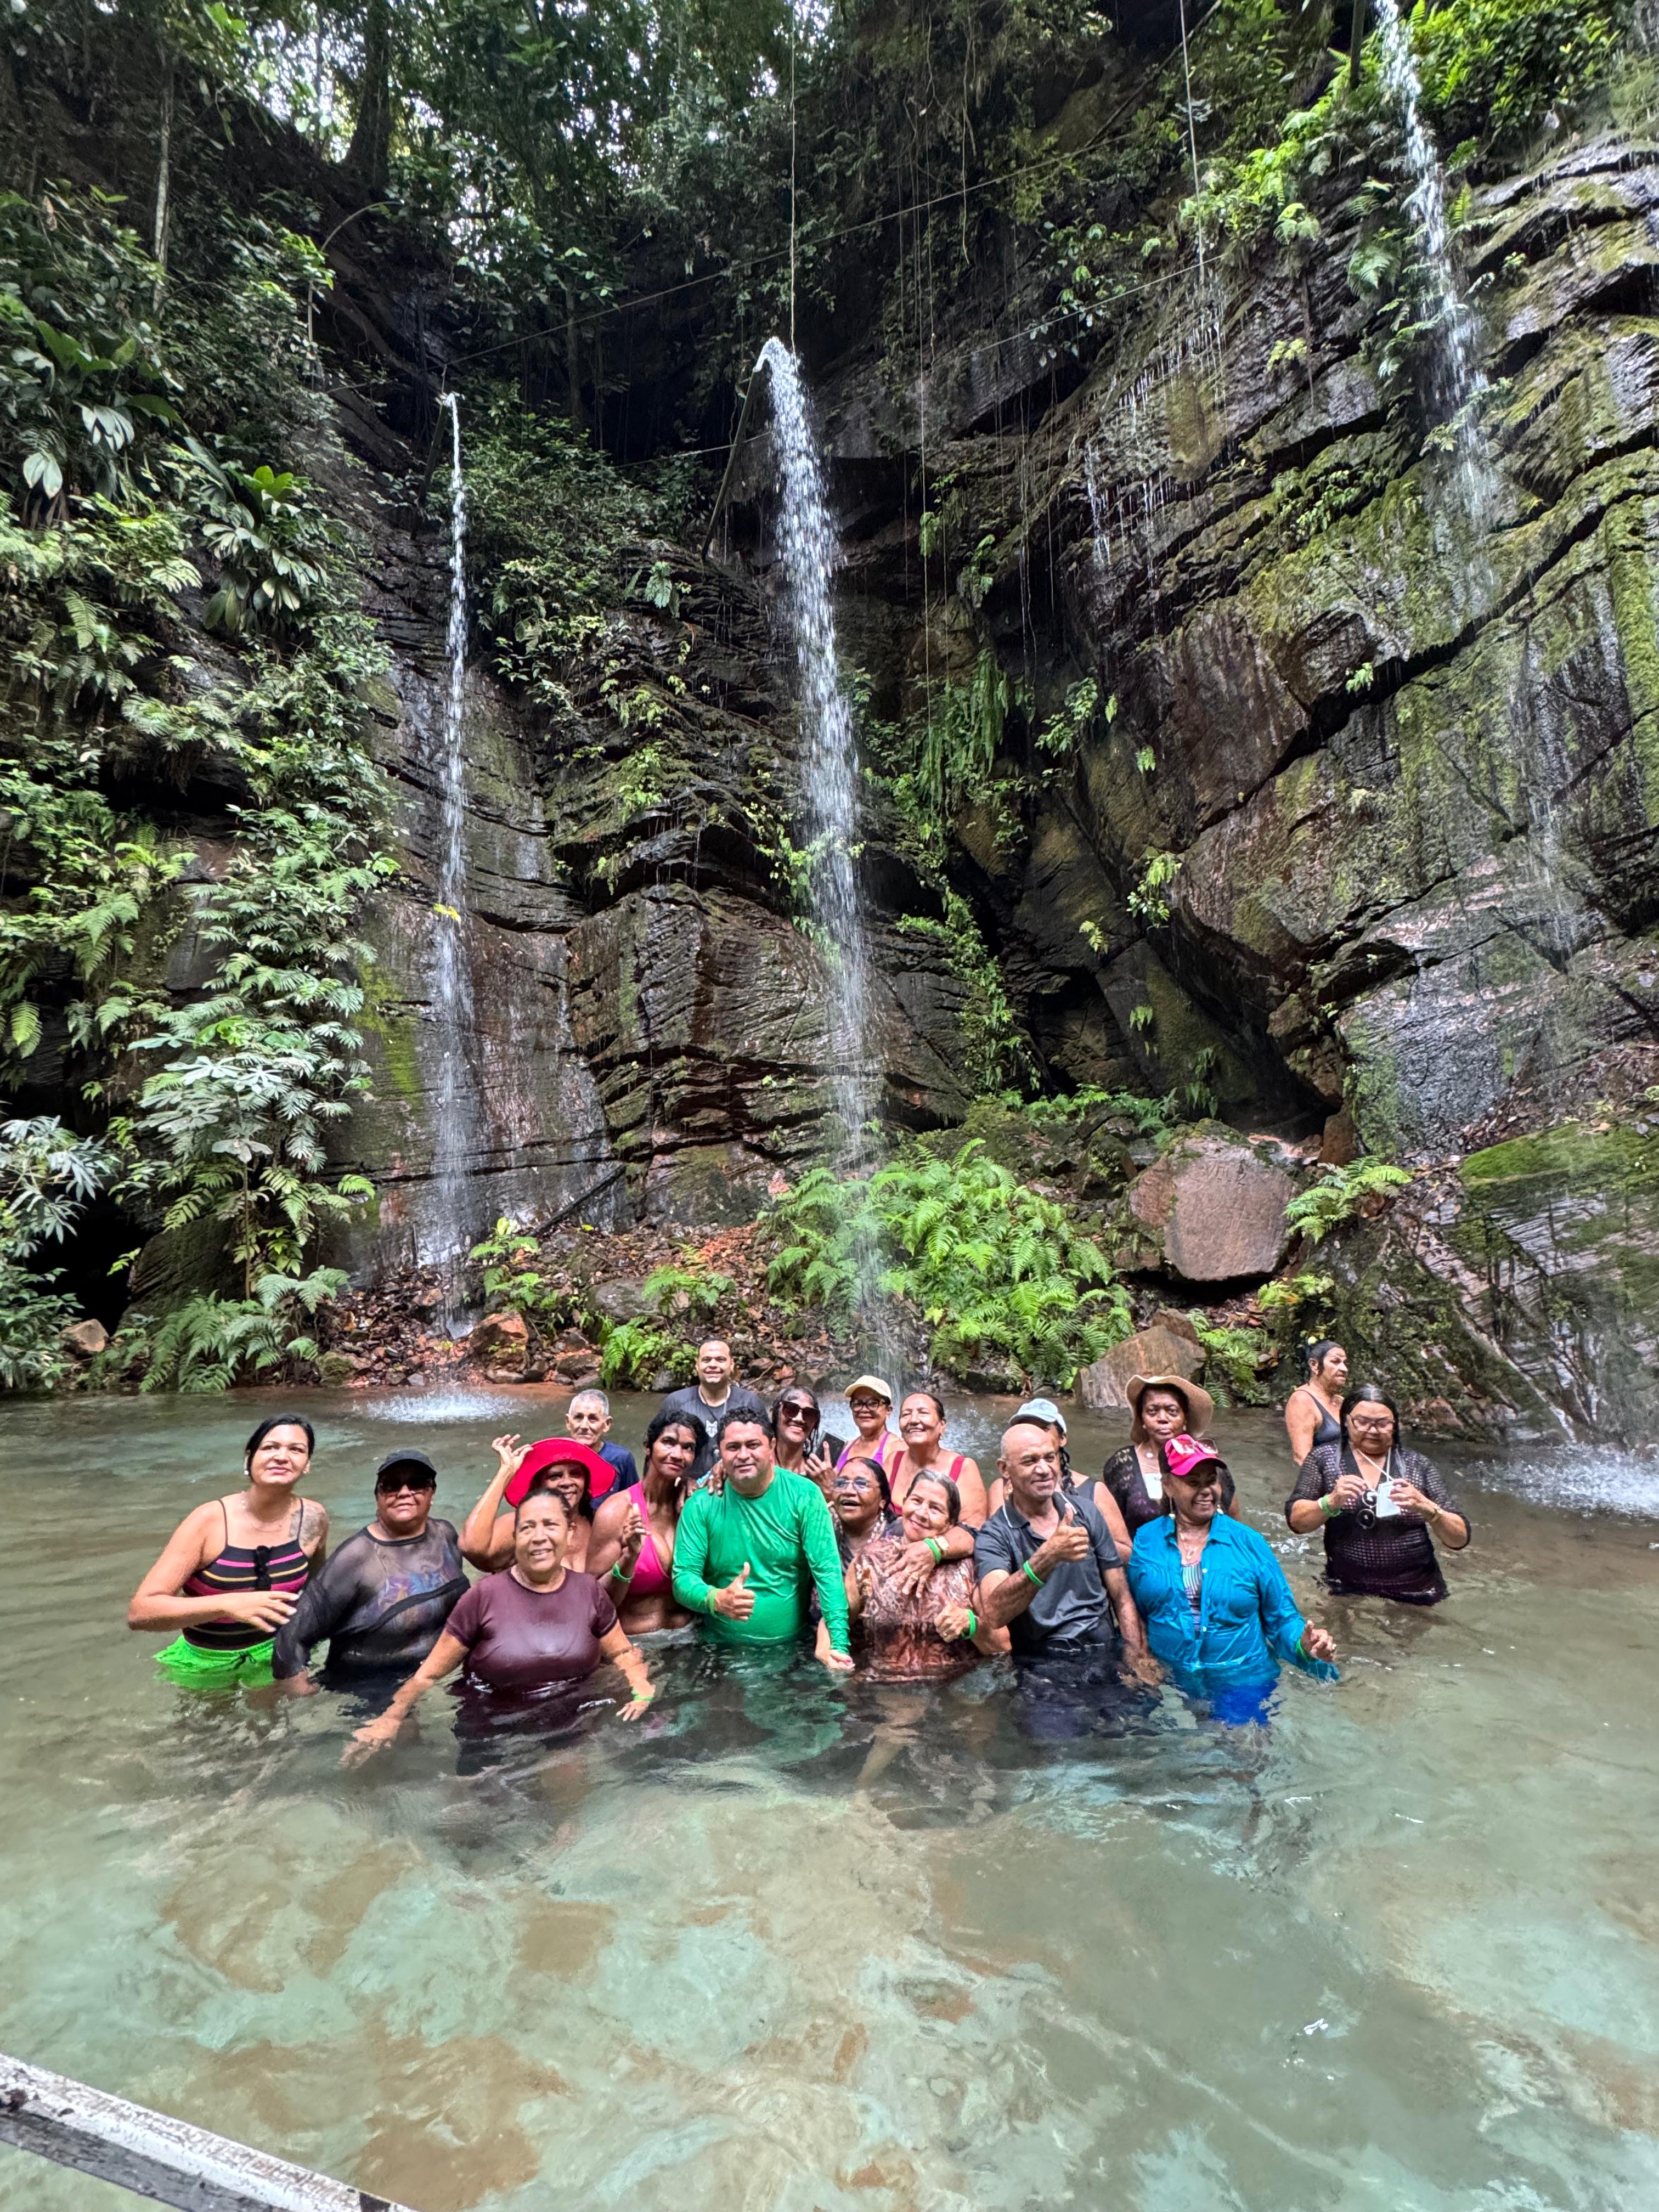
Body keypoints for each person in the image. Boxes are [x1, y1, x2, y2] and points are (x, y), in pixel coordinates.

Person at [347, 1488, 653, 1759]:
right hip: (491, 1731)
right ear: (516, 1537)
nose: (539, 1537)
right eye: (528, 1528)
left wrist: (641, 1688)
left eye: (550, 1525)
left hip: (568, 1726)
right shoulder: (483, 1597)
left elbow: (623, 1653)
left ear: (570, 1532)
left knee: (567, 1799)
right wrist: (391, 1717)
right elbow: (429, 1674)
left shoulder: (589, 1592)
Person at [1129, 1434, 1336, 1723]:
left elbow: (1282, 1619)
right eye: (1193, 1482)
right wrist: (1138, 1658)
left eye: (1211, 1481)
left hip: (1242, 1678)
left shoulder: (1249, 1543)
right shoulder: (1146, 1540)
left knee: (1239, 1744)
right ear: (1168, 1485)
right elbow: (1136, 1612)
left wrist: (1305, 1644)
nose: (1206, 1491)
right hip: (1170, 1678)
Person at [129, 1417, 328, 1683]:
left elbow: (318, 1591)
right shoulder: (208, 1521)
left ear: (307, 1464)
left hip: (277, 1652)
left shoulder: (313, 1518)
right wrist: (228, 1604)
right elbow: (141, 1612)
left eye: (296, 1449)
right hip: (206, 1658)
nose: (282, 1457)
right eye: (270, 1447)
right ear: (249, 1459)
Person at [671, 1411, 854, 1670]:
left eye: (753, 1445)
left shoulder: (805, 1496)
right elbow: (683, 1579)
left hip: (793, 1650)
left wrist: (839, 1647)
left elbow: (828, 1575)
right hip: (720, 1650)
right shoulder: (701, 1505)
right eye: (733, 1447)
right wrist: (716, 1599)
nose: (743, 1455)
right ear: (720, 1452)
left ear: (772, 1447)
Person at [273, 1451, 467, 1691]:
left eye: (417, 1483)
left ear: (432, 1492)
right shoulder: (356, 1557)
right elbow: (292, 1637)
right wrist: (300, 1693)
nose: (404, 1492)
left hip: (434, 1675)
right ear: (378, 1497)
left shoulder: (445, 1534)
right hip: (369, 1688)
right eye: (391, 1486)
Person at [974, 1419, 1152, 1673]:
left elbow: (1121, 1595)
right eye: (1030, 1461)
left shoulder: (1086, 1512)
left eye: (1050, 1458)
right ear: (1005, 1469)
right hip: (1044, 1664)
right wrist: (1049, 1555)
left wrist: (1136, 1655)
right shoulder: (994, 1534)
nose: (1044, 1469)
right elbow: (994, 1613)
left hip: (1104, 1651)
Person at [1286, 1384, 1470, 1604]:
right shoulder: (1324, 1459)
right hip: (1346, 1588)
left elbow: (1460, 1539)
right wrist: (1330, 1502)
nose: (1373, 1431)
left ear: (1395, 1425)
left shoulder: (1417, 1464)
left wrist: (1429, 1509)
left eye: (1383, 1424)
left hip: (1417, 1591)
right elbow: (1297, 1523)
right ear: (1346, 1421)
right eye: (1362, 1422)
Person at [844, 1470, 1005, 1681]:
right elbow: (836, 1623)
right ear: (904, 1504)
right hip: (881, 1685)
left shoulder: (969, 1568)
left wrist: (971, 1624)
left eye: (935, 1508)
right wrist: (832, 1654)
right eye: (916, 1501)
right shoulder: (868, 1562)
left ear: (950, 1524)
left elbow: (1002, 1646)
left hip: (951, 1688)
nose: (921, 1513)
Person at [586, 1411, 701, 1634]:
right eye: (668, 1442)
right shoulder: (617, 1511)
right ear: (648, 1447)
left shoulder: (694, 1504)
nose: (678, 1455)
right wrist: (628, 1559)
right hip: (639, 1642)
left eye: (688, 1448)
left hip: (690, 1637)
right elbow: (593, 1601)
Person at [990, 1397, 1136, 1556]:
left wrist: (1086, 1535)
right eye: (1027, 1429)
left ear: (1062, 1439)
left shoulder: (1094, 1490)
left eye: (1043, 1429)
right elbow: (994, 1548)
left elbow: (1128, 1555)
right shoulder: (1001, 1488)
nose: (1035, 1435)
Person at [1100, 1374, 1233, 1537]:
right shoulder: (1121, 1464)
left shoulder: (1210, 1464)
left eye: (1172, 1411)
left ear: (1185, 1419)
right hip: (1139, 1552)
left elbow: (1233, 1524)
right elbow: (1103, 1526)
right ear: (1142, 1419)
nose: (1162, 1419)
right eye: (1152, 1411)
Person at [459, 1435, 610, 1575]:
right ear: (538, 1485)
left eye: (576, 1474)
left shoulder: (599, 1522)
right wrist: (506, 1472)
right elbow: (472, 1547)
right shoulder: (523, 1524)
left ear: (586, 1482)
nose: (567, 1482)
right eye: (555, 1476)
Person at [658, 1339, 769, 1482]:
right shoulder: (676, 1402)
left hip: (738, 1485)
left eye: (720, 1360)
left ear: (732, 1365)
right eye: (706, 1360)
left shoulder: (749, 1402)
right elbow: (657, 1451)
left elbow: (766, 1449)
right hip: (687, 1487)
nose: (713, 1365)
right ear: (697, 1365)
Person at [892, 1389, 988, 1528]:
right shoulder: (893, 1461)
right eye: (906, 1414)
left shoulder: (963, 1468)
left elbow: (972, 1529)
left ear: (942, 1425)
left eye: (923, 1413)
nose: (913, 1420)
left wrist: (929, 1543)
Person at [829, 1455, 901, 1566]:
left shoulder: (900, 1533)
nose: (848, 1491)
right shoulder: (825, 1526)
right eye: (841, 1483)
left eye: (862, 1484)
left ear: (883, 1500)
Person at [1285, 1340, 1348, 1465]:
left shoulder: (1341, 1401)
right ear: (1314, 1365)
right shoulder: (1302, 1400)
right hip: (1324, 1476)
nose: (1344, 1369)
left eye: (1345, 1363)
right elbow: (1302, 1457)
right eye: (1335, 1362)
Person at [565, 1389, 636, 1497]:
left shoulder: (621, 1459)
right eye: (578, 1418)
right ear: (568, 1422)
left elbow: (633, 1499)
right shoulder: (556, 1458)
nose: (584, 1426)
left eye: (593, 1419)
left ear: (607, 1424)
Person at [770, 1387, 835, 1495]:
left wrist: (829, 1491)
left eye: (809, 1414)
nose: (799, 1419)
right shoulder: (760, 1463)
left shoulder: (819, 1474)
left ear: (815, 1423)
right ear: (776, 1413)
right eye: (791, 1409)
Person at [836, 1376, 905, 1477]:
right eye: (858, 1403)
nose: (864, 1410)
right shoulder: (845, 1447)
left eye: (873, 1404)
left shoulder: (898, 1448)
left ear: (888, 1410)